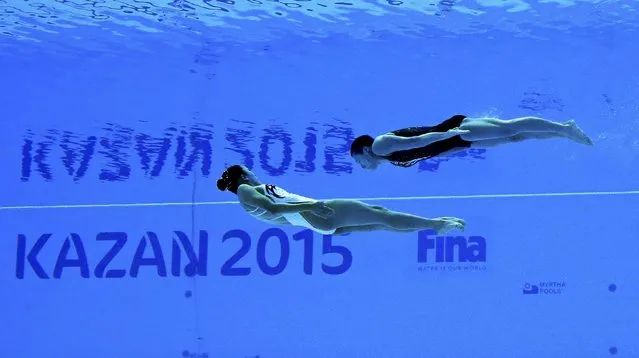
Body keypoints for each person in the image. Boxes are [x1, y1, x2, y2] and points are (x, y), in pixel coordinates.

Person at [216, 165, 466, 235]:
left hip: (315, 223)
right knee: (381, 214)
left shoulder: (248, 204)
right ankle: (437, 224)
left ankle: (436, 225)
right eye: (251, 171)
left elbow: (279, 218)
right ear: (244, 176)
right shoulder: (245, 191)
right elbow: (272, 207)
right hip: (316, 213)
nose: (255, 173)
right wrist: (312, 206)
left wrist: (312, 222)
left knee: (382, 223)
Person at [350, 114, 594, 169]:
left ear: (363, 149)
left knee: (509, 129)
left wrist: (450, 135)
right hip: (458, 142)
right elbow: (430, 153)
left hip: (457, 131)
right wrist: (457, 148)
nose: (361, 166)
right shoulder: (390, 161)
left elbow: (420, 140)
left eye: (358, 161)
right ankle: (563, 133)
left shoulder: (379, 145)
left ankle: (564, 127)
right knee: (515, 138)